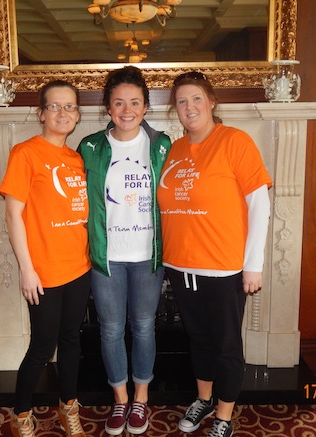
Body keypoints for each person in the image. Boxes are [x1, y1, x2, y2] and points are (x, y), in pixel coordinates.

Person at [157, 71, 272, 437]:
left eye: (195, 99)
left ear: (211, 102)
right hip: (180, 265)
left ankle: (224, 415)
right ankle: (203, 399)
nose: (189, 107)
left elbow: (259, 205)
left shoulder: (235, 142)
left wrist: (253, 265)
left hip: (223, 268)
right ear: (175, 109)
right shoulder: (175, 149)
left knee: (226, 345)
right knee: (198, 339)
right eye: (181, 101)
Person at [77, 66, 172, 436]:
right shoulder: (90, 147)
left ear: (146, 106)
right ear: (108, 107)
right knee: (111, 329)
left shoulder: (163, 145)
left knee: (145, 327)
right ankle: (120, 399)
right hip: (107, 256)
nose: (127, 109)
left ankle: (141, 399)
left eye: (135, 102)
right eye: (119, 102)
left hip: (149, 256)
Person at [0, 80, 91, 437]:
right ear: (41, 114)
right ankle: (21, 413)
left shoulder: (75, 158)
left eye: (69, 106)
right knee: (41, 346)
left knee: (71, 342)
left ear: (78, 114)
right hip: (44, 271)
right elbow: (13, 215)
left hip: (79, 267)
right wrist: (27, 269)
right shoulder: (26, 153)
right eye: (55, 106)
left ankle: (69, 406)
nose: (63, 113)